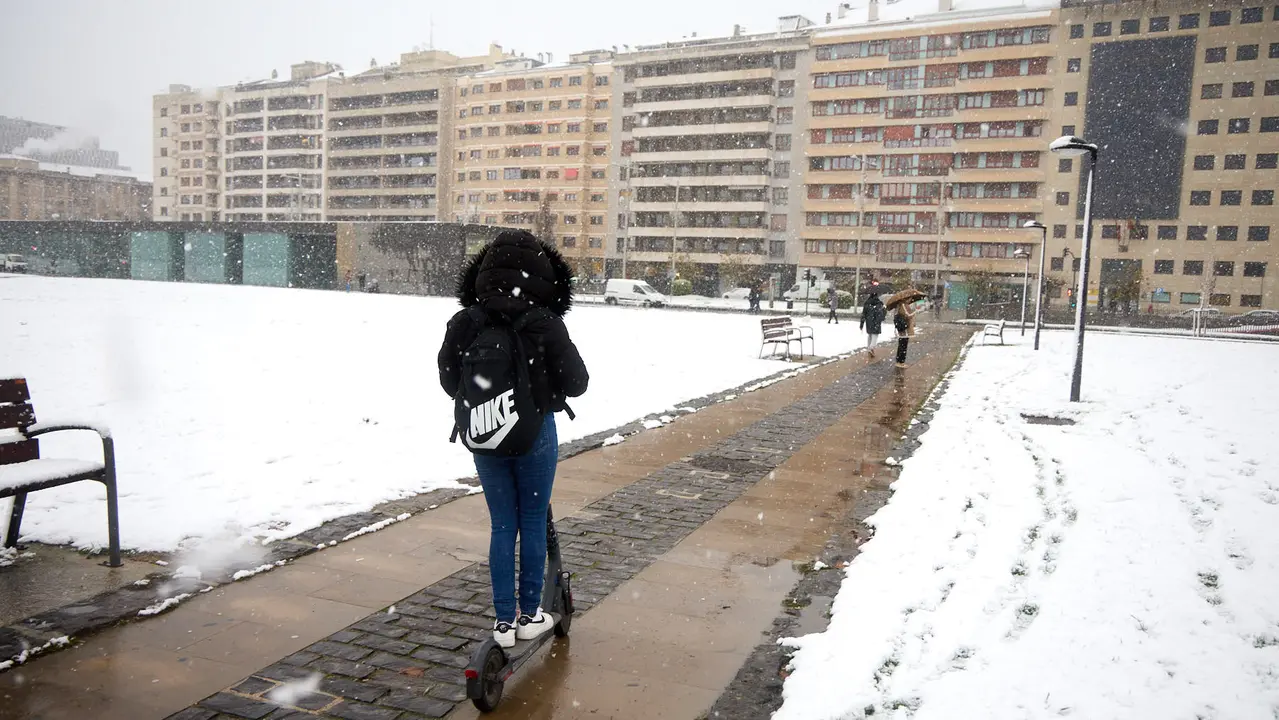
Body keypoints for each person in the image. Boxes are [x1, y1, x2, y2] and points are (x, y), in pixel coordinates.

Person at [438, 230, 589, 648]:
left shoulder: (466, 322)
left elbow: (449, 378)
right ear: (543, 274)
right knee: (533, 521)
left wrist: (487, 399)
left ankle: (503, 622)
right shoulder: (544, 322)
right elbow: (577, 384)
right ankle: (530, 614)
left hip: (484, 433)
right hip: (535, 432)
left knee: (502, 525)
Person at [859, 291, 886, 358]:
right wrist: (883, 312)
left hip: (869, 322)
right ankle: (871, 348)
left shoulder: (867, 303)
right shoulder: (879, 303)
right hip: (876, 322)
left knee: (870, 335)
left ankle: (869, 349)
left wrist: (861, 324)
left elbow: (863, 314)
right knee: (875, 336)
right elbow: (882, 313)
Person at [894, 301, 916, 368]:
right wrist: (914, 313)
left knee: (901, 344)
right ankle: (901, 362)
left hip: (902, 328)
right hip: (904, 328)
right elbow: (907, 315)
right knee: (903, 345)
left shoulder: (899, 305)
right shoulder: (903, 305)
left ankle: (899, 361)